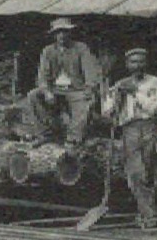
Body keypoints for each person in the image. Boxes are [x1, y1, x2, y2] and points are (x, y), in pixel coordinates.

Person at [105, 46, 157, 227]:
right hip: (129, 128)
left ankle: (146, 212)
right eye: (133, 62)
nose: (137, 65)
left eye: (140, 61)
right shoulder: (120, 83)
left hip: (149, 127)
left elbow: (154, 108)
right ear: (127, 65)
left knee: (150, 170)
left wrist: (135, 92)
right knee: (136, 172)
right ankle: (150, 215)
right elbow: (108, 111)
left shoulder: (155, 82)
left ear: (146, 63)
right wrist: (115, 97)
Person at [25, 18, 103, 146]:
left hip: (76, 89)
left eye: (65, 31)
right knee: (33, 95)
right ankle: (45, 133)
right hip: (55, 89)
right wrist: (46, 91)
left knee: (85, 100)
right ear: (54, 35)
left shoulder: (81, 48)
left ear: (70, 33)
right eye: (58, 32)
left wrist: (89, 88)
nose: (61, 35)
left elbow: (90, 72)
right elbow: (43, 75)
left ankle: (74, 137)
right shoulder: (48, 51)